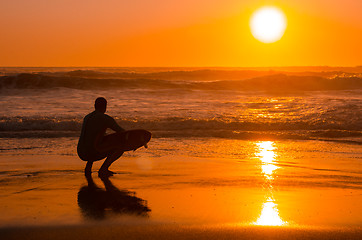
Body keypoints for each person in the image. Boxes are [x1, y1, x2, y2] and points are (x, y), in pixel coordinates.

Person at [77, 97, 125, 177]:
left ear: (94, 106)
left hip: (81, 152)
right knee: (120, 148)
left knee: (93, 139)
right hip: (91, 153)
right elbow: (121, 131)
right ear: (105, 106)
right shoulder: (105, 118)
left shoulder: (87, 117)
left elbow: (90, 135)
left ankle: (88, 167)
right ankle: (104, 169)